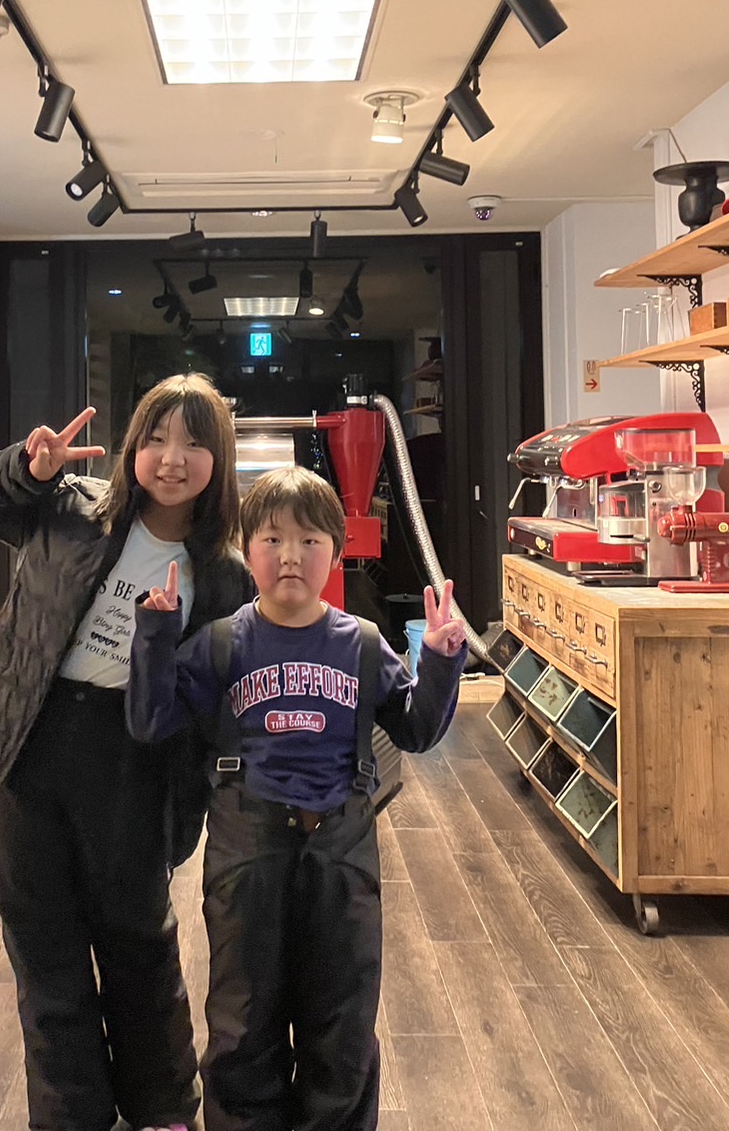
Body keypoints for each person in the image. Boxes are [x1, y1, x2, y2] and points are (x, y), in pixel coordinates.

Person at [0, 374, 254, 1131]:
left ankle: (162, 1105)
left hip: (132, 756)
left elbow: (212, 704)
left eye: (193, 442)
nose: (172, 457)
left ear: (218, 460)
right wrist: (26, 467)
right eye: (157, 437)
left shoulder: (224, 576)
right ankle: (71, 1112)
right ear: (132, 445)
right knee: (41, 937)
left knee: (137, 934)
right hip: (26, 736)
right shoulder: (73, 508)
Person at [127, 465, 467, 1131]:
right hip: (245, 853)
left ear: (335, 553)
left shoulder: (361, 644)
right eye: (272, 539)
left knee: (342, 1023)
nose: (290, 555)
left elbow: (416, 730)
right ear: (245, 549)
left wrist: (439, 658)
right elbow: (150, 721)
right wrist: (154, 634)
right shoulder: (221, 642)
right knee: (242, 1021)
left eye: (309, 540)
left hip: (343, 851)